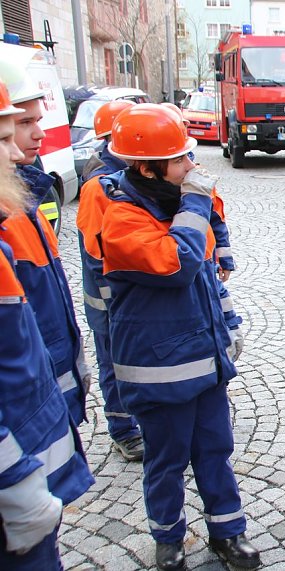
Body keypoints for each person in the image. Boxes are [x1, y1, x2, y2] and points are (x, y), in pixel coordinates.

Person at [98, 103, 258, 570]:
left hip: (204, 362)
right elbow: (179, 263)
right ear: (148, 168)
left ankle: (228, 533)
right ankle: (168, 540)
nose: (193, 166)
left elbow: (208, 272)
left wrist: (228, 327)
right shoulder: (123, 220)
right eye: (181, 160)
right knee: (165, 462)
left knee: (215, 451)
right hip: (159, 370)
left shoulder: (177, 206)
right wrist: (194, 201)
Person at [0, 78, 94, 571]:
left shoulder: (26, 196)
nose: (24, 143)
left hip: (42, 413)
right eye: (16, 126)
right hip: (19, 446)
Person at [0, 58, 90, 427]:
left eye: (38, 120)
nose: (39, 134)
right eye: (23, 124)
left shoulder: (27, 192)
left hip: (48, 391)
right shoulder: (11, 205)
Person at [77, 99, 147, 461]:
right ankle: (123, 430)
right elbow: (97, 253)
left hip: (123, 295)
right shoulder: (99, 186)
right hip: (108, 298)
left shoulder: (129, 176)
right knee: (114, 360)